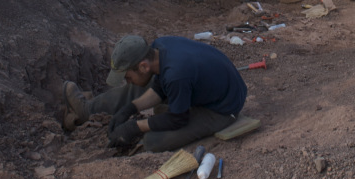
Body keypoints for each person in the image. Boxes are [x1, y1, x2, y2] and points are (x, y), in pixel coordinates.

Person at [63, 34, 247, 152]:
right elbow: (159, 86)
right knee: (139, 84)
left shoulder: (176, 75)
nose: (126, 80)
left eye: (126, 76)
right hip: (197, 87)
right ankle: (87, 110)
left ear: (143, 65)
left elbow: (177, 119)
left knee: (154, 140)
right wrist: (129, 109)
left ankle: (138, 147)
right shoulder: (160, 47)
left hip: (222, 108)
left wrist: (134, 127)